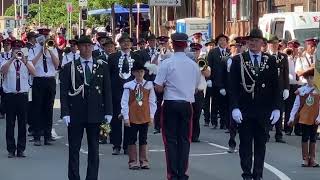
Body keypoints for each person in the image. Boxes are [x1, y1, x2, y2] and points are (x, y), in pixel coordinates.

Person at [229, 28, 281, 180]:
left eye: (256, 40)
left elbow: (276, 86)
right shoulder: (239, 60)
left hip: (263, 110)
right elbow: (232, 86)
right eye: (250, 40)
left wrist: (277, 108)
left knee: (260, 145)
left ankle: (258, 175)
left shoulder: (270, 60)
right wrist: (234, 108)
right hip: (245, 110)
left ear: (262, 43)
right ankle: (246, 174)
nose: (252, 43)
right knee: (245, 145)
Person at [60, 36, 113, 180]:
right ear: (78, 48)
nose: (86, 48)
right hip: (76, 112)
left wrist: (109, 111)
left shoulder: (102, 65)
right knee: (74, 149)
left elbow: (107, 90)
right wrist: (65, 112)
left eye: (89, 46)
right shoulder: (69, 67)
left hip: (95, 113)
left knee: (94, 150)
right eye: (83, 46)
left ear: (93, 47)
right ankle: (74, 177)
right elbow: (64, 91)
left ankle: (92, 177)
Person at [154, 32, 200, 180]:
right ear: (186, 45)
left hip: (171, 103)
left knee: (170, 140)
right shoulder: (193, 65)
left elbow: (158, 87)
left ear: (173, 45)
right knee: (185, 139)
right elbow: (196, 88)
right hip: (187, 104)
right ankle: (182, 173)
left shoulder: (167, 63)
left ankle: (173, 173)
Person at [108, 33, 143, 155]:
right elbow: (108, 76)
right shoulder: (113, 57)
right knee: (116, 120)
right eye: (123, 41)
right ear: (119, 43)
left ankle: (128, 145)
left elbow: (141, 74)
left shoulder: (137, 56)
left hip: (132, 93)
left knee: (131, 120)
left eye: (128, 41)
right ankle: (116, 145)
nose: (126, 43)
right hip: (116, 92)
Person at [1, 40, 36, 158]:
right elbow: (3, 71)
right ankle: (11, 149)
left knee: (22, 124)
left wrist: (24, 61)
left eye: (19, 48)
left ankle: (21, 149)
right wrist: (12, 59)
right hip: (10, 96)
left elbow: (34, 73)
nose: (17, 50)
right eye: (15, 48)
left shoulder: (27, 61)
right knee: (10, 123)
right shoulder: (5, 60)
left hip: (22, 96)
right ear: (12, 49)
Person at [120, 60, 156, 170]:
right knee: (131, 139)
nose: (140, 74)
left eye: (141, 71)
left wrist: (151, 116)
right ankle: (132, 161)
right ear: (133, 73)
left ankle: (144, 161)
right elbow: (124, 102)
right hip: (132, 116)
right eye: (137, 72)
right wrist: (125, 117)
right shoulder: (129, 86)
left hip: (144, 116)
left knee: (143, 138)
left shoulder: (149, 85)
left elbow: (152, 101)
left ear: (144, 73)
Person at [28, 28, 60, 146]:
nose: (44, 38)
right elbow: (31, 65)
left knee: (49, 108)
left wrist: (49, 50)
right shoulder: (32, 50)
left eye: (46, 36)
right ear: (38, 38)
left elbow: (57, 65)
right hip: (38, 80)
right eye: (42, 36)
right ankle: (37, 136)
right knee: (37, 108)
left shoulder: (53, 48)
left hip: (50, 80)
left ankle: (47, 136)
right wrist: (41, 51)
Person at [288, 67, 320, 167]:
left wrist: (319, 117)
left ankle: (313, 159)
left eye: (313, 77)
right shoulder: (301, 91)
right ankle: (305, 159)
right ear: (306, 79)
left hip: (314, 118)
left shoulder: (318, 91)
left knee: (313, 138)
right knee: (305, 137)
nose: (312, 80)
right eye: (310, 77)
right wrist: (291, 117)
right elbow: (296, 105)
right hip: (304, 118)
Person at [267, 35, 289, 143]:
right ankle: (265, 133)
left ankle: (279, 134)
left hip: (279, 88)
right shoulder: (265, 56)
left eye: (275, 44)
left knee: (279, 111)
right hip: (267, 88)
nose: (273, 45)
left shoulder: (283, 57)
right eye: (271, 43)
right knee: (267, 111)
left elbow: (285, 73)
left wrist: (286, 88)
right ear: (268, 45)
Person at [207, 33, 230, 129]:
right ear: (218, 42)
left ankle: (224, 123)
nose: (222, 42)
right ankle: (214, 122)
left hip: (226, 82)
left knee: (224, 104)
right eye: (220, 40)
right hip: (215, 81)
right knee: (215, 103)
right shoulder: (213, 52)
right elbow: (209, 66)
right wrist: (208, 79)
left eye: (224, 40)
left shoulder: (229, 52)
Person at [189, 42, 211, 142]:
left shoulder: (202, 61)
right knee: (188, 114)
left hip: (199, 92)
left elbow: (207, 74)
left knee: (196, 115)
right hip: (188, 92)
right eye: (193, 50)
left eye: (196, 51)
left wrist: (200, 64)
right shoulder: (186, 62)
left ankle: (195, 135)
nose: (195, 53)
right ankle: (187, 134)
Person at [284, 40, 303, 136]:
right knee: (289, 107)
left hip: (299, 84)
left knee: (299, 107)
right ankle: (288, 128)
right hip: (290, 85)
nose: (293, 49)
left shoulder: (301, 58)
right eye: (291, 47)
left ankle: (298, 129)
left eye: (295, 48)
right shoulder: (286, 58)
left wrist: (300, 56)